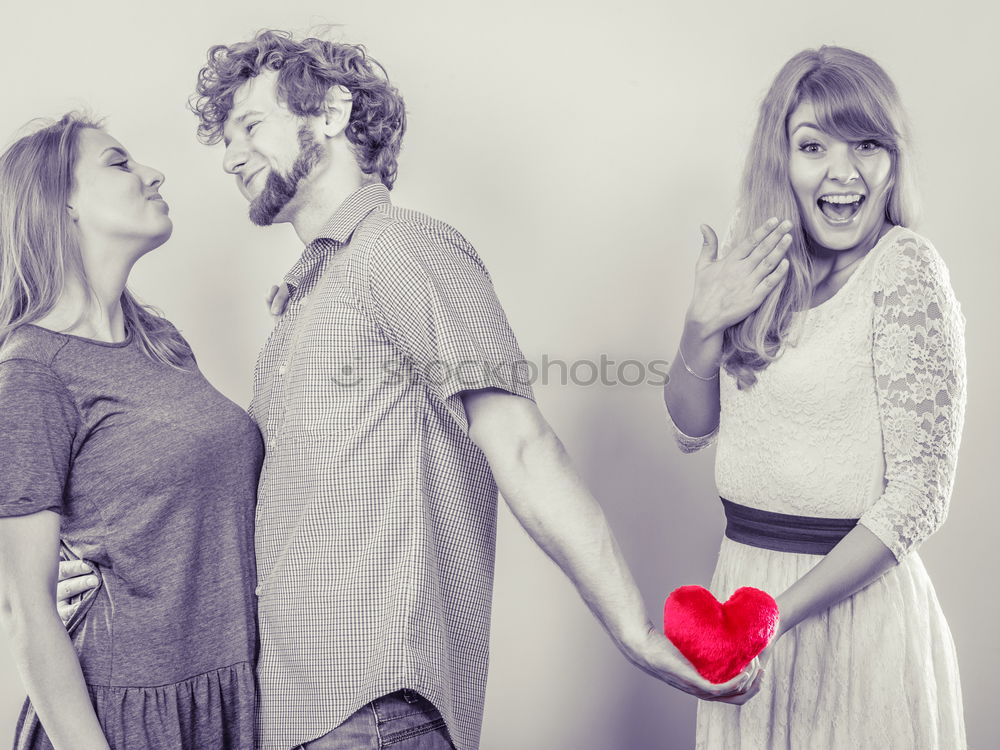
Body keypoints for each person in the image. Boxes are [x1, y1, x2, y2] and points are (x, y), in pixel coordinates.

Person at [52, 30, 756, 750]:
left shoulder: (399, 247)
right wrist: (89, 578)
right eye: (225, 139)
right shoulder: (303, 302)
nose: (231, 156)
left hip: (372, 712)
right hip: (289, 718)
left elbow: (519, 441)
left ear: (328, 111)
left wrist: (633, 629)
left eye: (250, 127)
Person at [663, 46, 967, 748]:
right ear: (782, 158)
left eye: (868, 144)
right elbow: (689, 425)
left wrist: (774, 615)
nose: (843, 170)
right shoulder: (761, 263)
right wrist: (700, 325)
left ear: (894, 161)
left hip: (845, 616)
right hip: (743, 593)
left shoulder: (904, 270)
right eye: (814, 145)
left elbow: (920, 497)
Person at [0, 115, 262, 749]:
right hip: (123, 717)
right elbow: (27, 610)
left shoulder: (162, 344)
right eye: (119, 163)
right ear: (59, 201)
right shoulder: (32, 373)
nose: (153, 173)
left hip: (231, 698)